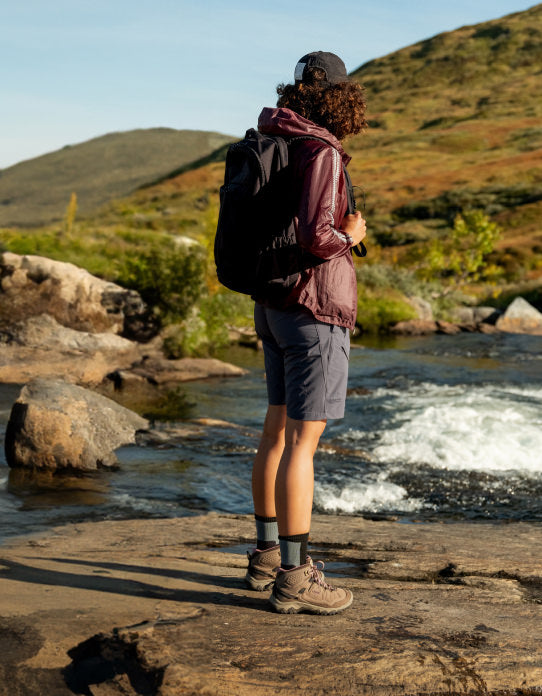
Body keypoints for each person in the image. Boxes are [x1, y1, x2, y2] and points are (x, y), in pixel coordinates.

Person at [243, 51, 367, 614]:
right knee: (302, 444)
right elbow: (319, 237)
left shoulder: (279, 140)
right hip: (313, 310)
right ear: (340, 96)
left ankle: (266, 555)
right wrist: (352, 234)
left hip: (271, 303)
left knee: (274, 432)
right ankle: (295, 578)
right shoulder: (322, 150)